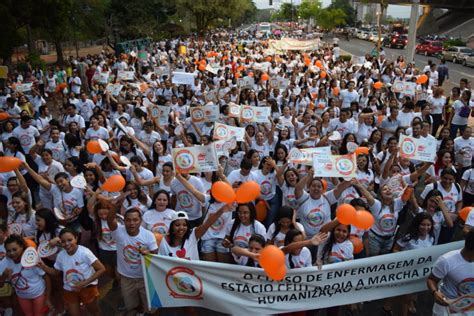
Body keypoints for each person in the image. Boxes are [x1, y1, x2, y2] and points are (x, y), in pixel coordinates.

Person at [38, 228, 105, 316]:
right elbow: (56, 272)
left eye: (70, 240)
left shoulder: (85, 253)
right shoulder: (61, 256)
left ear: (76, 238)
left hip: (87, 288)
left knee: (94, 311)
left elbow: (101, 269)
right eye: (63, 241)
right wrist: (43, 266)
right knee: (74, 313)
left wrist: (84, 283)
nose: (67, 244)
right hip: (70, 289)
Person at [106, 207, 158, 316]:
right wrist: (115, 204)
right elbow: (110, 220)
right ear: (124, 221)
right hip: (126, 278)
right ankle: (139, 312)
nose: (132, 223)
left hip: (145, 278)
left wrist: (148, 252)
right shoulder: (118, 232)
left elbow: (155, 256)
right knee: (131, 305)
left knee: (151, 307)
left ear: (140, 221)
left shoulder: (148, 235)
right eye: (128, 220)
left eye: (135, 220)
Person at [0, 234, 52, 316]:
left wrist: (48, 298)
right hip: (22, 296)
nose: (12, 253)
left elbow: (46, 278)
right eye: (8, 250)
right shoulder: (5, 262)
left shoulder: (32, 258)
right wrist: (3, 276)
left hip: (38, 294)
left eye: (14, 249)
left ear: (21, 247)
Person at [426, 230, 474, 316]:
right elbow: (431, 279)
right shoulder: (446, 260)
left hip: (470, 309)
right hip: (446, 307)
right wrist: (435, 293)